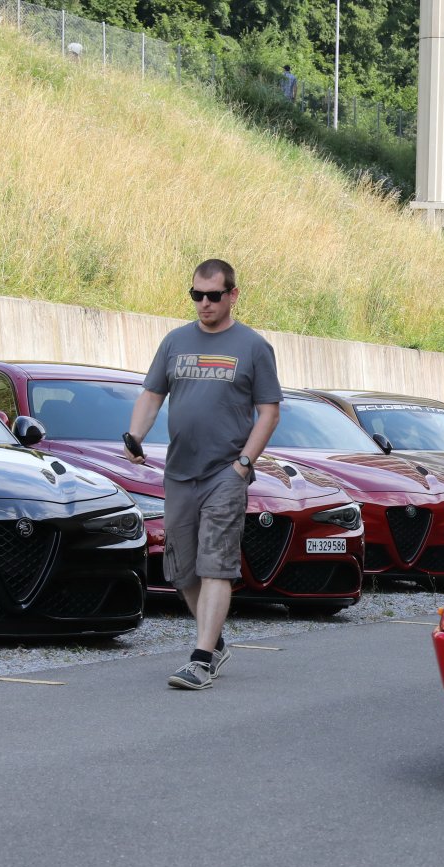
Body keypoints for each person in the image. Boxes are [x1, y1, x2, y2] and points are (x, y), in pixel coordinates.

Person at [128, 259, 282, 690]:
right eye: (197, 295)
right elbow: (152, 395)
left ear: (233, 295)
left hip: (225, 474)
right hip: (179, 473)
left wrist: (243, 465)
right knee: (182, 570)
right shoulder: (175, 341)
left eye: (213, 295)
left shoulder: (253, 347)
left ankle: (200, 660)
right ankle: (214, 641)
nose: (204, 303)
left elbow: (269, 413)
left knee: (216, 563)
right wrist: (134, 435)